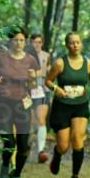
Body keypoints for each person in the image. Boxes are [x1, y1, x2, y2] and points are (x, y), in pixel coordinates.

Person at [0, 27, 40, 178]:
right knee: (9, 142)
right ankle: (6, 163)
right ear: (10, 41)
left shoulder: (30, 60)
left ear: (26, 41)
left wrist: (32, 79)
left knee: (23, 144)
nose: (19, 43)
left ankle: (17, 176)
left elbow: (34, 84)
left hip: (23, 103)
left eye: (22, 40)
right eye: (16, 39)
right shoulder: (0, 56)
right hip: (3, 102)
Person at [45, 32, 90, 178]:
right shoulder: (60, 64)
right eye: (72, 43)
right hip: (62, 106)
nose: (75, 45)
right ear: (67, 45)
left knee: (78, 139)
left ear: (81, 44)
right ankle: (57, 154)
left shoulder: (89, 64)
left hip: (80, 105)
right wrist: (56, 88)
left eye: (78, 42)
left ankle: (75, 176)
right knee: (64, 146)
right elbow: (48, 81)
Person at [29, 34, 51, 163]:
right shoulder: (25, 56)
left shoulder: (46, 56)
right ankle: (26, 146)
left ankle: (41, 151)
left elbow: (48, 71)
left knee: (41, 119)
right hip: (28, 91)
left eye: (39, 42)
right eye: (34, 42)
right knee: (30, 121)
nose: (36, 45)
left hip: (42, 91)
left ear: (42, 43)